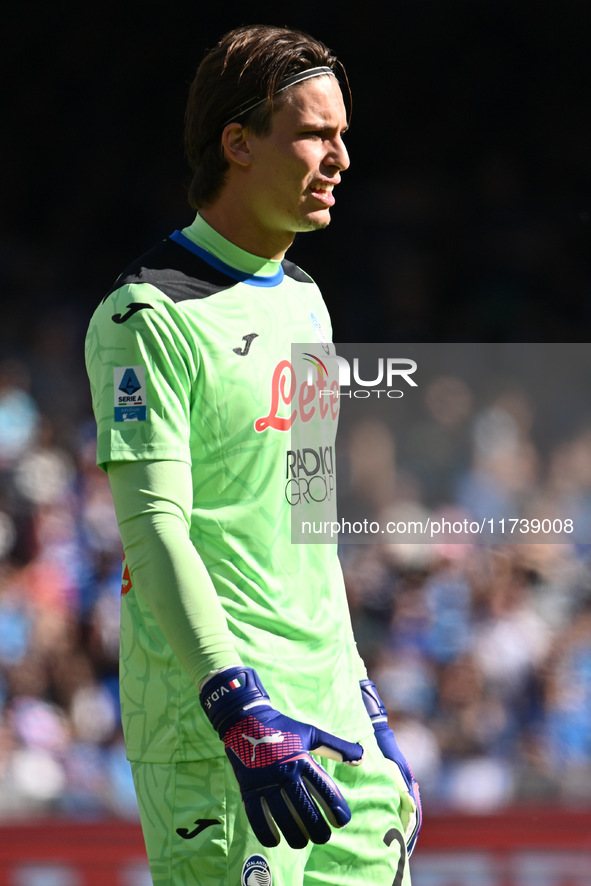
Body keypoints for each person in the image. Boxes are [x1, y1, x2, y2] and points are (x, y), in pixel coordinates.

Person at [85, 24, 421, 886]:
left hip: (335, 727)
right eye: (315, 133)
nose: (340, 156)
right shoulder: (145, 317)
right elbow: (153, 533)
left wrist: (370, 710)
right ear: (237, 142)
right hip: (220, 735)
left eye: (343, 134)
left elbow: (305, 523)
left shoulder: (307, 302)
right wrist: (238, 710)